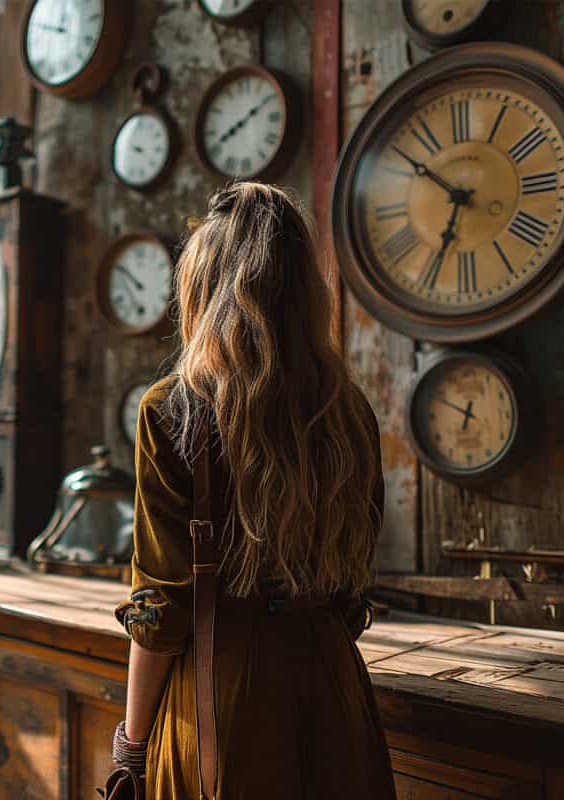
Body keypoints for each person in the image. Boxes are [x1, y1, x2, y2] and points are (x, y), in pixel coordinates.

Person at [112, 182, 397, 799]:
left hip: (223, 701)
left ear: (202, 289)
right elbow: (353, 590)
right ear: (303, 293)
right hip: (334, 691)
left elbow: (162, 610)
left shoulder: (172, 412)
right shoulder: (348, 412)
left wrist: (131, 747)